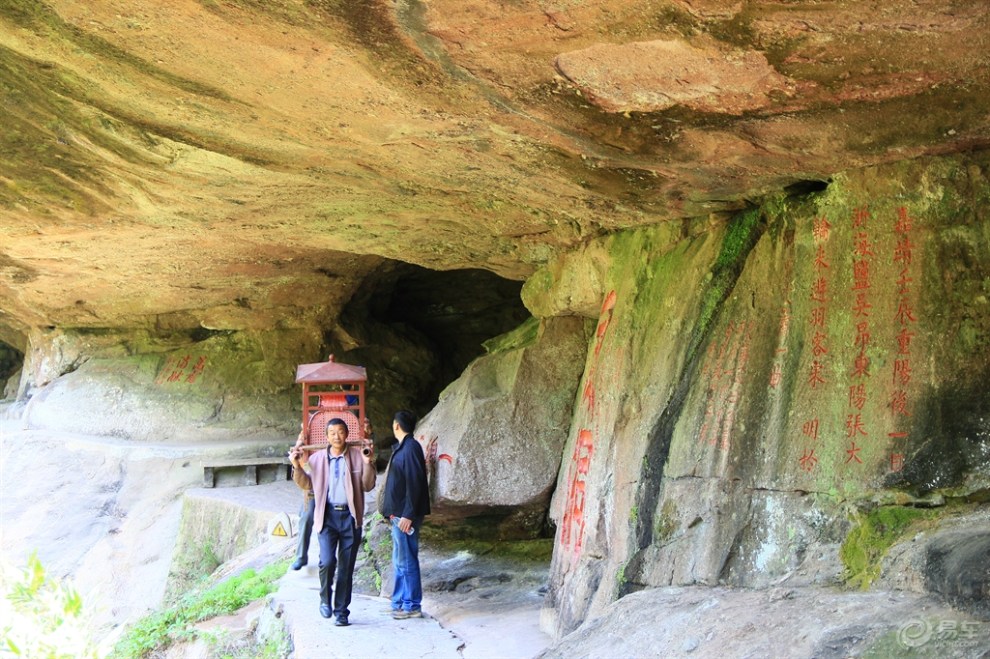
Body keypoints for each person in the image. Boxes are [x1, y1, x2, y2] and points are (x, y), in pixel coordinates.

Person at [290, 418, 376, 626]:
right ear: (326, 437)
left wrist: (368, 463)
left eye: (340, 432)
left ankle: (341, 612)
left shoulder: (357, 456)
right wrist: (297, 467)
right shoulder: (318, 459)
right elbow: (307, 484)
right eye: (332, 433)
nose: (336, 436)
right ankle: (324, 599)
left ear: (346, 434)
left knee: (346, 567)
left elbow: (367, 485)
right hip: (327, 517)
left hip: (350, 517)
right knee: (327, 561)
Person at [380, 409, 431, 619]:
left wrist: (409, 514)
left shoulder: (410, 448)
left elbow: (415, 483)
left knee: (407, 559)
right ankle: (399, 602)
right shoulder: (403, 448)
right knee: (400, 560)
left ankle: (412, 605)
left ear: (396, 426)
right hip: (398, 515)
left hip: (405, 516)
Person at [288, 427, 315, 571]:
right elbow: (302, 438)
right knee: (306, 517)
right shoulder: (313, 421)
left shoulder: (345, 419)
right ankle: (301, 556)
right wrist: (298, 447)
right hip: (314, 482)